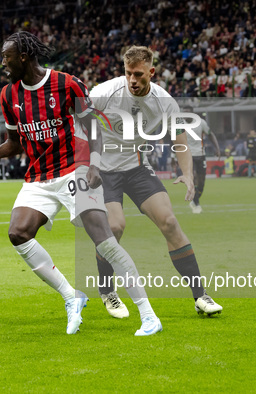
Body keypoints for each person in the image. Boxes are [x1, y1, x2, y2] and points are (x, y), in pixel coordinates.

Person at [0, 32, 161, 336]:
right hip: (38, 176)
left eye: (6, 56)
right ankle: (72, 297)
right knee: (18, 233)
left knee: (104, 240)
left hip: (75, 169)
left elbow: (93, 126)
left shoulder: (66, 83)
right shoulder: (8, 95)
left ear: (23, 57)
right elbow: (15, 142)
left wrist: (96, 164)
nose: (2, 62)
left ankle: (148, 315)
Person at [89, 46, 222, 319]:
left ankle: (201, 297)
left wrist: (187, 174)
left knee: (170, 222)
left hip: (136, 167)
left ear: (152, 71)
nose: (132, 80)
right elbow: (78, 122)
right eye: (128, 74)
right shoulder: (105, 92)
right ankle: (107, 291)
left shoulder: (164, 101)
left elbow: (180, 141)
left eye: (138, 74)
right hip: (102, 170)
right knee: (114, 227)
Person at [183, 106, 221, 214]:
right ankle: (197, 205)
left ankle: (194, 201)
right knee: (194, 177)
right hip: (188, 155)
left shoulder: (201, 123)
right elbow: (176, 140)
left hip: (200, 154)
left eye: (187, 111)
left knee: (201, 182)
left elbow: (210, 134)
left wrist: (217, 148)